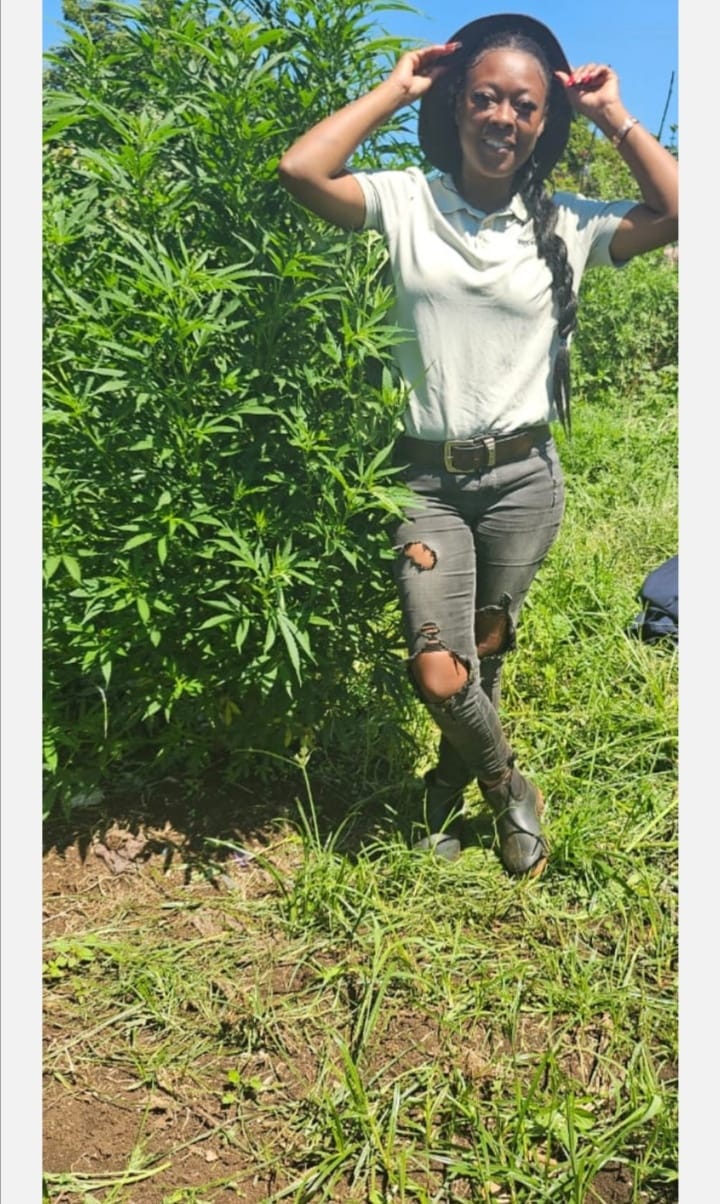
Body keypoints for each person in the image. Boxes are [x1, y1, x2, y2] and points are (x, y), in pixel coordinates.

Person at [277, 12, 678, 877]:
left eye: (524, 106)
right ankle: (506, 789)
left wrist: (613, 116)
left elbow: (684, 208)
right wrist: (397, 86)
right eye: (486, 98)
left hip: (525, 482)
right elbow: (301, 169)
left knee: (484, 649)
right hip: (421, 482)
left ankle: (443, 780)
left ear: (543, 124)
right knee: (437, 668)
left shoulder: (569, 222)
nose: (503, 117)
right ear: (459, 105)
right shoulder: (403, 201)